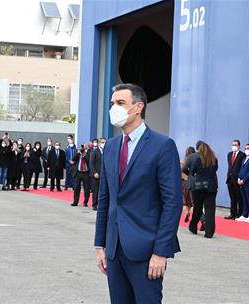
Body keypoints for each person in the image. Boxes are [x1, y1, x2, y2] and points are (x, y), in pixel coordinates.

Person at [94, 83, 181, 304]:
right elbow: (105, 199)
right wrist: (100, 246)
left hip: (146, 251)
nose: (115, 108)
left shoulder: (163, 146)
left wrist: (161, 252)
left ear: (138, 107)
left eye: (121, 103)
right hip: (114, 250)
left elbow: (172, 203)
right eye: (112, 104)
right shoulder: (111, 147)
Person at [187, 141, 219, 238]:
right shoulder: (214, 159)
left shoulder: (198, 159)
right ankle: (209, 232)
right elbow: (215, 170)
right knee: (210, 210)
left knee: (198, 207)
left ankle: (193, 227)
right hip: (212, 186)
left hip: (199, 186)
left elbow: (192, 172)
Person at [224, 140, 246, 219]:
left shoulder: (242, 155)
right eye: (233, 144)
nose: (234, 146)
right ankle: (232, 213)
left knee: (239, 197)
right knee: (232, 198)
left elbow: (242, 167)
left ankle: (239, 213)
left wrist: (240, 177)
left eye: (235, 145)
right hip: (230, 178)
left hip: (237, 179)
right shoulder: (229, 154)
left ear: (239, 146)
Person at [90, 138, 106, 211]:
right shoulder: (94, 151)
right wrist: (94, 172)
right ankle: (94, 204)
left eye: (105, 142)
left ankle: (102, 204)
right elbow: (91, 163)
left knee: (103, 190)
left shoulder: (107, 151)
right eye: (102, 142)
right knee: (96, 190)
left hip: (104, 174)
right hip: (97, 174)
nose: (104, 144)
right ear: (99, 143)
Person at [181, 146, 196, 222]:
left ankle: (187, 213)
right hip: (192, 183)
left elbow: (183, 170)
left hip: (184, 182)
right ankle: (189, 212)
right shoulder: (196, 160)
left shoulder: (186, 160)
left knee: (185, 201)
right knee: (190, 200)